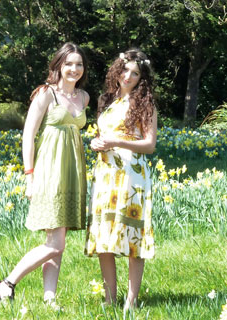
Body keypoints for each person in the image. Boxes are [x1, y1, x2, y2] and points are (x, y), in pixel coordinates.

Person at [0, 42, 89, 305]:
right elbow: (28, 135)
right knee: (55, 244)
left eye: (78, 64)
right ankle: (7, 283)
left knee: (57, 241)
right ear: (58, 65)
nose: (74, 69)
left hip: (73, 173)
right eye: (68, 64)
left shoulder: (83, 97)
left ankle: (49, 299)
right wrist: (29, 176)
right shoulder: (47, 94)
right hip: (49, 173)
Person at [84, 49, 157, 311]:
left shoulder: (144, 104)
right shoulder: (108, 101)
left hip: (131, 175)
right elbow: (105, 135)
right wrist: (97, 143)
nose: (128, 76)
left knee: (133, 236)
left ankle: (131, 300)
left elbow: (149, 145)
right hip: (106, 174)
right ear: (117, 70)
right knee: (105, 236)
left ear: (142, 79)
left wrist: (114, 141)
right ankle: (110, 298)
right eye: (125, 70)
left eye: (135, 73)